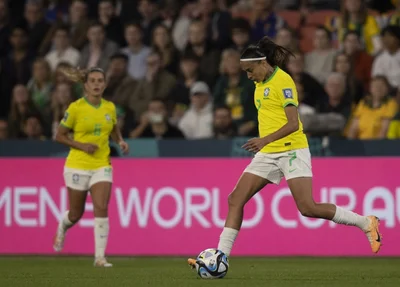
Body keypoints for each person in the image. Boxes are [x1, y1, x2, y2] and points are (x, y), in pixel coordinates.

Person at [188, 36, 382, 269]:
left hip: (292, 149)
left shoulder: (284, 82)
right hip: (268, 151)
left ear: (262, 64)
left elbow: (293, 123)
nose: (248, 76)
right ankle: (221, 258)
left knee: (307, 207)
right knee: (235, 199)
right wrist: (265, 144)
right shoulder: (259, 84)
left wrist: (264, 140)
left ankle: (365, 223)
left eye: (250, 71)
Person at [53, 66, 129, 267]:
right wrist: (82, 146)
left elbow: (113, 127)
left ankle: (100, 258)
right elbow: (59, 135)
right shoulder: (75, 108)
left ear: (105, 84)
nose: (96, 84)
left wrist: (120, 141)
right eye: (92, 81)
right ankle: (63, 226)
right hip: (77, 164)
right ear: (85, 85)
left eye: (100, 81)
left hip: (101, 164)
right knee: (75, 214)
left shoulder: (109, 107)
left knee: (101, 206)